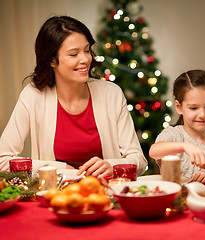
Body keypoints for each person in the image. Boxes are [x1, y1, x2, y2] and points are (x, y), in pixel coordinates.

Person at [0, 16, 147, 178]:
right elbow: (2, 160)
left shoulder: (112, 94)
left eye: (86, 50)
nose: (85, 59)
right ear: (51, 60)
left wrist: (112, 166)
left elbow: (139, 160)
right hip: (55, 197)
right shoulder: (32, 96)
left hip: (106, 195)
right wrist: (60, 169)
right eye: (73, 54)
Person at [149, 70, 205, 184]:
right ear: (178, 107)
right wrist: (184, 147)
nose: (202, 114)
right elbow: (153, 151)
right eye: (194, 108)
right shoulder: (174, 135)